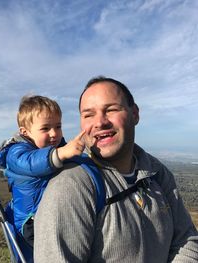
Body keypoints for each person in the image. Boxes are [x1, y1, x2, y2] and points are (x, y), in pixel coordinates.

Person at [34, 76, 198, 262]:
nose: (100, 122)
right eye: (88, 115)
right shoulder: (70, 186)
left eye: (111, 109)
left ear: (135, 114)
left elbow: (187, 239)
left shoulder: (157, 172)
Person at [0, 95, 87, 248]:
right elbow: (31, 162)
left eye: (58, 126)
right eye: (45, 128)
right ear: (25, 132)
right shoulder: (17, 152)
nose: (54, 133)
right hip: (31, 221)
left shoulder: (55, 148)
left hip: (50, 214)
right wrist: (62, 153)